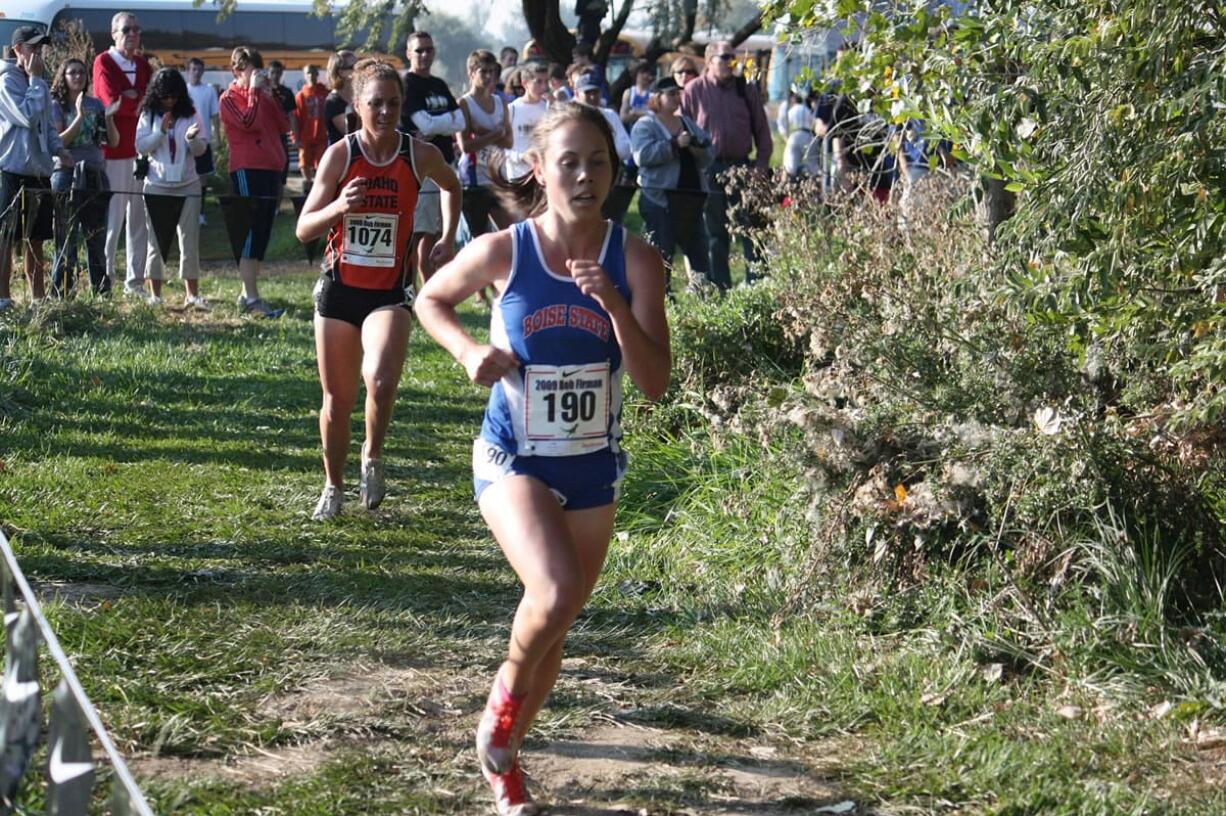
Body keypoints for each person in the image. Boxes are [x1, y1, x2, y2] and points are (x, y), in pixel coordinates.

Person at [415, 101, 670, 816]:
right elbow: (430, 300)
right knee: (554, 593)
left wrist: (616, 305)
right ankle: (500, 716)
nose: (585, 176)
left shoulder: (636, 257)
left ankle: (505, 761)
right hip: (512, 455)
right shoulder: (507, 250)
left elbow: (654, 383)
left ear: (614, 172)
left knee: (554, 623)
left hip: (592, 465)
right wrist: (468, 350)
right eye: (569, 162)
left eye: (598, 162)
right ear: (540, 170)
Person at [295, 58, 461, 521]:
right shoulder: (341, 156)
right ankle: (333, 485)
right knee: (337, 400)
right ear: (356, 105)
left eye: (393, 103)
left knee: (382, 381)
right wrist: (338, 208)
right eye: (375, 104)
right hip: (339, 291)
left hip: (389, 291)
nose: (385, 112)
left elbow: (452, 185)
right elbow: (304, 229)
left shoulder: (419, 154)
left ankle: (373, 455)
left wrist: (446, 238)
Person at [680, 41, 772, 291]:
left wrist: (761, 167)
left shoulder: (745, 89)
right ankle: (721, 289)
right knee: (715, 233)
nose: (732, 62)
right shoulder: (693, 90)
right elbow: (681, 129)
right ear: (709, 61)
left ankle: (758, 286)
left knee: (751, 230)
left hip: (743, 168)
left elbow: (763, 133)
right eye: (725, 57)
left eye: (734, 57)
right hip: (709, 170)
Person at [0, 25, 73, 309]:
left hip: (40, 172)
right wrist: (35, 80)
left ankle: (38, 299)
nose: (38, 53)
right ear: (18, 49)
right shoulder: (7, 82)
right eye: (33, 48)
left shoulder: (38, 82)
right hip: (12, 168)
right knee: (6, 237)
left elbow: (45, 125)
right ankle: (4, 298)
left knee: (37, 238)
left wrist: (58, 149)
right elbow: (27, 117)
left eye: (41, 48)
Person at [220, 46, 288, 317]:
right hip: (248, 168)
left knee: (262, 233)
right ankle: (250, 297)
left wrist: (271, 96)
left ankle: (247, 293)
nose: (257, 74)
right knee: (250, 231)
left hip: (271, 167)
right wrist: (254, 92)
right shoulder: (228, 98)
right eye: (252, 69)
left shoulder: (262, 95)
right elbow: (248, 123)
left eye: (259, 68)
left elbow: (283, 126)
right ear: (237, 71)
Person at [630, 76, 713, 295]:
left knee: (699, 255)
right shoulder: (645, 124)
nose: (677, 98)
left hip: (691, 199)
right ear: (657, 97)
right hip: (660, 200)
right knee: (661, 258)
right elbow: (642, 156)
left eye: (679, 93)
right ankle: (662, 304)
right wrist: (673, 145)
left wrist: (698, 149)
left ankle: (703, 304)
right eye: (671, 94)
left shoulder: (686, 122)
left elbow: (709, 153)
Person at [92, 11, 153, 297]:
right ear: (114, 33)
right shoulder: (103, 61)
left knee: (139, 221)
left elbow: (148, 101)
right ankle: (104, 281)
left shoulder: (143, 64)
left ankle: (134, 282)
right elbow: (110, 103)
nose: (132, 34)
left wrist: (131, 98)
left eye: (136, 29)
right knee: (112, 220)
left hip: (141, 151)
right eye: (126, 29)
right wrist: (131, 100)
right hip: (114, 152)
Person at [135, 67, 207, 306]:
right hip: (157, 185)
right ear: (157, 94)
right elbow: (141, 147)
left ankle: (192, 295)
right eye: (165, 95)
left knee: (190, 240)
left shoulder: (191, 113)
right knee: (155, 240)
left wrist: (191, 139)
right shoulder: (149, 114)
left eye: (174, 95)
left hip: (189, 184)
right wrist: (160, 132)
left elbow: (201, 150)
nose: (170, 100)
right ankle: (155, 295)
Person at [49, 57, 119, 297]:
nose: (78, 77)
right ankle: (63, 293)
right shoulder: (56, 105)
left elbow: (111, 141)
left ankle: (101, 293)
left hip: (95, 174)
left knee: (96, 236)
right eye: (72, 73)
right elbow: (59, 142)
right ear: (63, 77)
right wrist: (79, 116)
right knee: (66, 237)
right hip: (65, 174)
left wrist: (109, 118)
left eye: (81, 72)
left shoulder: (96, 104)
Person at [399, 31, 464, 284]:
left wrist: (437, 124)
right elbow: (423, 126)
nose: (425, 55)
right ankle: (419, 288)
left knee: (439, 230)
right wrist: (443, 122)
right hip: (421, 168)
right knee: (422, 232)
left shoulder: (439, 84)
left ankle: (433, 287)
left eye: (428, 49)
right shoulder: (407, 85)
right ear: (408, 53)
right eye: (419, 50)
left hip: (445, 165)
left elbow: (459, 121)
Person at [457, 50, 513, 243]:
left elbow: (509, 142)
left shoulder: (500, 101)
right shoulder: (464, 103)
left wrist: (483, 132)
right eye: (483, 72)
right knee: (480, 241)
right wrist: (495, 134)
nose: (489, 77)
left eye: (492, 72)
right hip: (474, 180)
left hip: (498, 177)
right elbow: (466, 146)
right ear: (471, 73)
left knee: (510, 234)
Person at [185, 57, 218, 226]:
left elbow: (215, 117)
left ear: (203, 72)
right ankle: (186, 213)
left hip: (204, 141)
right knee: (186, 177)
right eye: (193, 69)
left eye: (199, 69)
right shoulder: (183, 91)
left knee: (202, 179)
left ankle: (200, 213)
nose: (196, 73)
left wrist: (218, 138)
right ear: (188, 71)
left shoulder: (209, 90)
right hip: (185, 143)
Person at [504, 63, 550, 182]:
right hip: (518, 176)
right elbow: (500, 147)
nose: (544, 87)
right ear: (525, 83)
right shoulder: (511, 110)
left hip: (543, 176)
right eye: (538, 82)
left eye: (546, 81)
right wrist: (521, 157)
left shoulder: (548, 108)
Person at [294, 64, 329, 183]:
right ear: (304, 75)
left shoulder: (325, 93)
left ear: (317, 74)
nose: (311, 76)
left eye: (313, 73)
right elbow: (296, 118)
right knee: (304, 163)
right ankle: (307, 183)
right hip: (306, 136)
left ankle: (319, 185)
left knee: (322, 163)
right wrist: (295, 137)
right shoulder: (300, 95)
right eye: (308, 73)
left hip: (322, 135)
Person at [267, 60, 298, 183]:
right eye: (273, 72)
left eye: (278, 73)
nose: (275, 76)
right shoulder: (262, 91)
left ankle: (279, 194)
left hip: (281, 135)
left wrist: (295, 138)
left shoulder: (287, 92)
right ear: (268, 73)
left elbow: (292, 116)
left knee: (283, 165)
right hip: (266, 135)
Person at [782, 91, 824, 181]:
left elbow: (784, 124)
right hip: (808, 136)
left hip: (795, 136)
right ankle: (818, 184)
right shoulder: (807, 110)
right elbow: (814, 123)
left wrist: (786, 136)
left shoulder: (792, 110)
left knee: (790, 167)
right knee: (814, 166)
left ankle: (787, 187)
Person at [324, 50, 358, 146]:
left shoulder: (358, 95)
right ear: (341, 72)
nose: (359, 70)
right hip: (342, 157)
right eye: (353, 67)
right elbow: (351, 135)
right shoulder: (333, 102)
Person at [618, 62, 652, 129]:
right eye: (642, 73)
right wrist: (646, 114)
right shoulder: (629, 93)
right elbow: (623, 117)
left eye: (647, 73)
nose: (646, 76)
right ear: (635, 75)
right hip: (632, 134)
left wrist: (634, 113)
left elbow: (655, 117)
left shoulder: (653, 93)